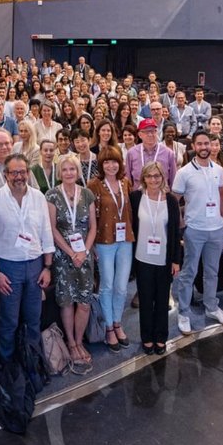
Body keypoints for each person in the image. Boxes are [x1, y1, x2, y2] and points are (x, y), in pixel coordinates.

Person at [0, 153, 54, 364]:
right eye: (13, 172)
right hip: (8, 268)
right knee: (9, 321)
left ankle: (32, 364)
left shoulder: (38, 197)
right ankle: (9, 366)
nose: (18, 176)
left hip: (35, 266)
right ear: (6, 175)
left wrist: (48, 267)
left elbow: (46, 233)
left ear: (28, 173)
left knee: (33, 319)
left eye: (22, 172)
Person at [171, 130, 223, 333]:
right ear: (193, 147)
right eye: (199, 144)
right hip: (194, 230)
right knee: (189, 273)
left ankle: (211, 306)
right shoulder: (184, 173)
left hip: (216, 229)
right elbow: (174, 201)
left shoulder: (218, 169)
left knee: (212, 272)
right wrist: (181, 226)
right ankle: (183, 312)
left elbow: (220, 196)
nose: (204, 147)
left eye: (207, 143)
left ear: (211, 145)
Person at [45, 154, 97, 371]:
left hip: (84, 255)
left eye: (72, 169)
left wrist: (84, 251)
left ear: (78, 171)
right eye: (65, 170)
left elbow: (93, 226)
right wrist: (70, 252)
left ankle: (79, 340)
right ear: (60, 172)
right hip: (63, 257)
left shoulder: (87, 194)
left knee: (84, 302)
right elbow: (52, 227)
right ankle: (71, 342)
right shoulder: (52, 195)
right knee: (67, 301)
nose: (69, 173)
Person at [130, 161, 182, 355]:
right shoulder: (136, 198)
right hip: (142, 258)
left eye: (157, 176)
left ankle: (161, 337)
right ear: (143, 178)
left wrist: (176, 260)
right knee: (145, 299)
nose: (153, 179)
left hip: (164, 259)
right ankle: (147, 338)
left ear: (163, 178)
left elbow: (176, 233)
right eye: (149, 176)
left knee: (162, 301)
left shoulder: (171, 201)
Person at [86, 145, 134, 351]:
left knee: (122, 286)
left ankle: (117, 322)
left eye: (114, 161)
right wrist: (92, 244)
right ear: (101, 165)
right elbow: (90, 218)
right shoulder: (93, 185)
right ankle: (107, 327)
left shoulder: (125, 182)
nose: (111, 165)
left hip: (125, 239)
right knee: (107, 284)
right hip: (104, 241)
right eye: (106, 162)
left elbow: (129, 210)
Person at [125, 118, 176, 190]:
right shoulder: (131, 153)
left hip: (162, 196)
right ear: (140, 135)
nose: (150, 134)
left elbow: (173, 179)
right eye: (146, 132)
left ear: (157, 133)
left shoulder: (168, 153)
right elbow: (128, 180)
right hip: (138, 196)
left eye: (153, 131)